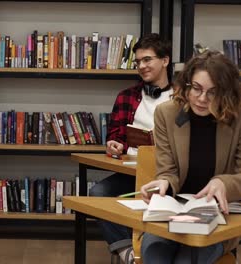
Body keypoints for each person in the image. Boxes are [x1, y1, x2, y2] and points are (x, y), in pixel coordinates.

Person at [140, 50, 241, 263]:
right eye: (196, 88)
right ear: (186, 84)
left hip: (219, 219)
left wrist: (224, 183)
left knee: (187, 260)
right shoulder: (166, 113)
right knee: (154, 254)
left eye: (213, 92)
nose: (202, 99)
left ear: (227, 93)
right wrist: (164, 182)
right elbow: (168, 171)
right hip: (172, 214)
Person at [88, 33, 173, 263]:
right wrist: (114, 145)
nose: (141, 66)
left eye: (147, 60)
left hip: (169, 175)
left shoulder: (182, 98)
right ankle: (128, 253)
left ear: (165, 60)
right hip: (132, 173)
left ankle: (153, 250)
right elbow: (115, 136)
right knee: (98, 193)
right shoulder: (126, 96)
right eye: (138, 62)